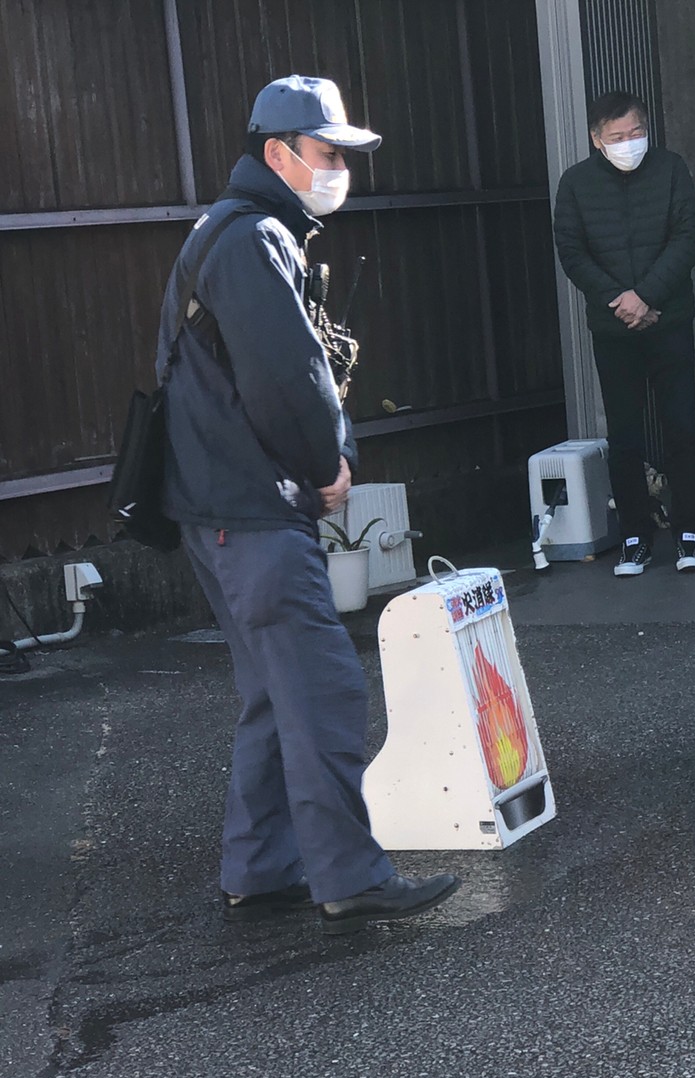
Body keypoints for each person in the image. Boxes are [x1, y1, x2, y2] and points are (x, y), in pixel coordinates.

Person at [157, 76, 460, 935]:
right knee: (321, 686)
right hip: (254, 508)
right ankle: (350, 877)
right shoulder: (255, 239)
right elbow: (288, 379)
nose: (339, 170)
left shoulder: (227, 230)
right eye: (327, 153)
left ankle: (260, 869)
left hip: (217, 506)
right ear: (277, 153)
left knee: (270, 691)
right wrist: (328, 465)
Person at [553, 91, 695, 578]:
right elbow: (572, 251)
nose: (628, 142)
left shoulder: (671, 169)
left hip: (669, 319)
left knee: (682, 425)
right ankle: (634, 537)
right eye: (617, 136)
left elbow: (688, 237)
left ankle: (690, 531)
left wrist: (647, 296)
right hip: (613, 326)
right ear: (596, 140)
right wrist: (620, 300)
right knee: (624, 434)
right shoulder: (576, 183)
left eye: (636, 132)